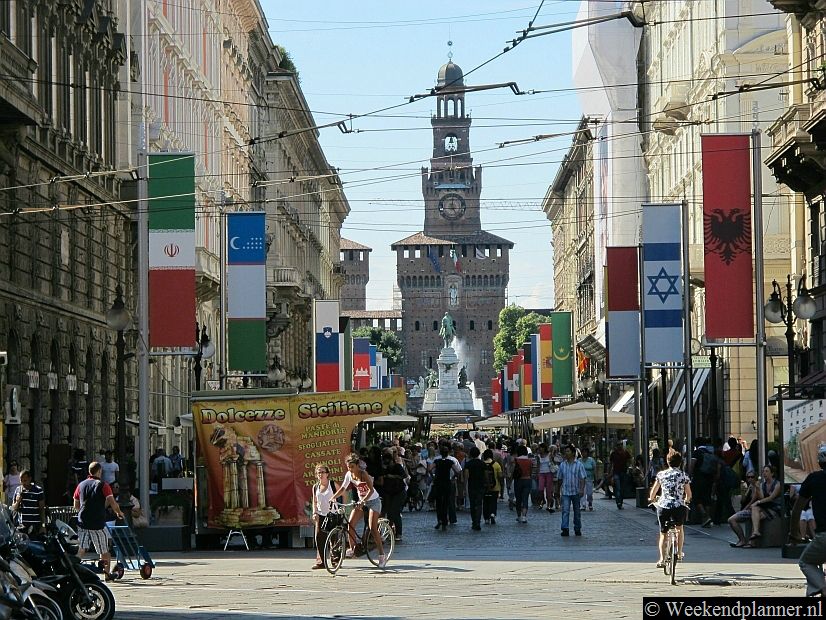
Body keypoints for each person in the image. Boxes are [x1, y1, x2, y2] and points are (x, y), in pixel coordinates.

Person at [330, 454, 387, 568]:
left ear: (357, 465)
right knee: (350, 524)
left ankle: (382, 555)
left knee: (372, 527)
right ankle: (353, 549)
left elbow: (370, 490)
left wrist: (363, 500)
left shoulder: (363, 474)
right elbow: (343, 488)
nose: (350, 469)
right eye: (348, 467)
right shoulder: (349, 475)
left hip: (373, 501)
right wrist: (333, 497)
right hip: (361, 502)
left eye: (352, 466)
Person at [73, 462, 124, 580]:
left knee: (82, 549)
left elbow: (75, 504)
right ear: (99, 471)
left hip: (82, 521)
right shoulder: (103, 485)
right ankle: (107, 575)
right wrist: (119, 512)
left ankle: (74, 571)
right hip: (97, 523)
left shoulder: (81, 485)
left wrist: (83, 512)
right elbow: (112, 502)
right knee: (104, 551)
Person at [790, 446, 826, 596]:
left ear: (819, 462)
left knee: (806, 561)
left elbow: (797, 509)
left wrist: (794, 533)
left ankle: (823, 589)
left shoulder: (814, 479)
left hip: (824, 535)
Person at [648, 452, 692, 567]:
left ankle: (662, 559)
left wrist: (651, 499)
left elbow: (653, 491)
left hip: (664, 506)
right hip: (678, 506)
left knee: (663, 533)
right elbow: (689, 494)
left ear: (667, 462)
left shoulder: (661, 475)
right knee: (680, 528)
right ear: (680, 462)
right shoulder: (683, 475)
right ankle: (679, 552)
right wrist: (686, 501)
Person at [744, 465, 782, 546]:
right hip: (766, 507)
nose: (764, 473)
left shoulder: (777, 484)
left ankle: (752, 541)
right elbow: (761, 497)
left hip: (775, 507)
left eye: (767, 471)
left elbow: (771, 498)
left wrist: (757, 502)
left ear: (772, 473)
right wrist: (757, 488)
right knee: (755, 513)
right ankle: (756, 532)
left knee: (755, 516)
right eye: (763, 471)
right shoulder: (762, 484)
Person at [376, 448, 407, 542]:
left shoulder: (397, 467)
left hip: (399, 492)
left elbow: (404, 475)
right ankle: (391, 532)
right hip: (389, 493)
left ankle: (398, 533)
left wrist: (392, 476)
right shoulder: (384, 469)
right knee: (389, 513)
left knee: (395, 512)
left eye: (388, 462)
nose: (387, 464)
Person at [310, 464, 336, 569]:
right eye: (318, 472)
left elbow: (343, 494)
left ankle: (335, 561)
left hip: (333, 514)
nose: (320, 474)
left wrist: (340, 507)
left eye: (323, 472)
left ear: (327, 474)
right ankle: (321, 562)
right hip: (321, 514)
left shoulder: (333, 484)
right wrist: (314, 512)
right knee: (319, 537)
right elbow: (314, 501)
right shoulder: (315, 486)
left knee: (333, 538)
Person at [557, 445, 586, 537]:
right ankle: (565, 528)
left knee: (577, 511)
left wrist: (581, 489)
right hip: (565, 492)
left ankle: (577, 528)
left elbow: (582, 478)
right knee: (565, 510)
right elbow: (559, 478)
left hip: (576, 491)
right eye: (565, 451)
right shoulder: (562, 465)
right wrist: (557, 490)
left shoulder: (579, 464)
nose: (566, 453)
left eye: (568, 451)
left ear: (573, 453)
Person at [430, 444, 461, 530]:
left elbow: (429, 469)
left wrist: (433, 478)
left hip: (438, 483)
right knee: (446, 502)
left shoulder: (437, 461)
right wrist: (453, 477)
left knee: (439, 502)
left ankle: (439, 519)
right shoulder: (450, 461)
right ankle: (445, 521)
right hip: (447, 483)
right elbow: (458, 471)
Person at [727, 470, 760, 547]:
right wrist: (744, 490)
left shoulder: (757, 486)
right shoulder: (750, 486)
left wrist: (744, 509)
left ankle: (746, 541)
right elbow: (743, 500)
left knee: (732, 519)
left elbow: (753, 501)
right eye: (748, 477)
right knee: (731, 519)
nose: (750, 479)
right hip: (750, 508)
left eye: (752, 477)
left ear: (756, 478)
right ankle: (742, 539)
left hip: (755, 509)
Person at [11, 470, 45, 535]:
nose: (23, 483)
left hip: (35, 526)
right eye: (21, 481)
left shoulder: (38, 490)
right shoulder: (18, 490)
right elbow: (14, 509)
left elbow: (42, 509)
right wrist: (18, 501)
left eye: (25, 480)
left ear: (30, 479)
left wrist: (43, 526)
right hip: (21, 527)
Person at [464, 446, 485, 531]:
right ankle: (478, 521)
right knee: (479, 504)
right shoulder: (482, 464)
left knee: (473, 504)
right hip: (481, 485)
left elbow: (466, 476)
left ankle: (474, 521)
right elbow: (486, 475)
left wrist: (465, 486)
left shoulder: (468, 464)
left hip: (471, 485)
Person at [512, 444, 533, 524]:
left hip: (518, 481)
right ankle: (524, 516)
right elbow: (531, 471)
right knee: (525, 498)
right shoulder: (529, 461)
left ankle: (519, 516)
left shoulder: (516, 460)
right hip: (527, 480)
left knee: (518, 499)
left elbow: (513, 470)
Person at [481, 449, 501, 524]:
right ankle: (492, 514)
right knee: (493, 502)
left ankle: (486, 518)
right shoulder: (496, 464)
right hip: (495, 487)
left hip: (484, 487)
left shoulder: (481, 464)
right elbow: (500, 475)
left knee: (485, 502)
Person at [609, 442, 631, 510]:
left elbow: (629, 460)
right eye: (618, 445)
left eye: (620, 445)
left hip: (623, 472)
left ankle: (620, 502)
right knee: (618, 488)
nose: (619, 446)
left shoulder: (625, 452)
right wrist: (610, 473)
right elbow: (611, 464)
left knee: (622, 489)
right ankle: (618, 502)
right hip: (616, 472)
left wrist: (628, 468)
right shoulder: (614, 453)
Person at [580, 447, 597, 511]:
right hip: (581, 479)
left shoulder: (591, 460)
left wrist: (596, 478)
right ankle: (583, 505)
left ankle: (590, 502)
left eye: (585, 452)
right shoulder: (579, 460)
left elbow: (594, 469)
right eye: (583, 452)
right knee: (582, 492)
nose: (584, 453)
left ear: (587, 453)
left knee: (589, 493)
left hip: (590, 478)